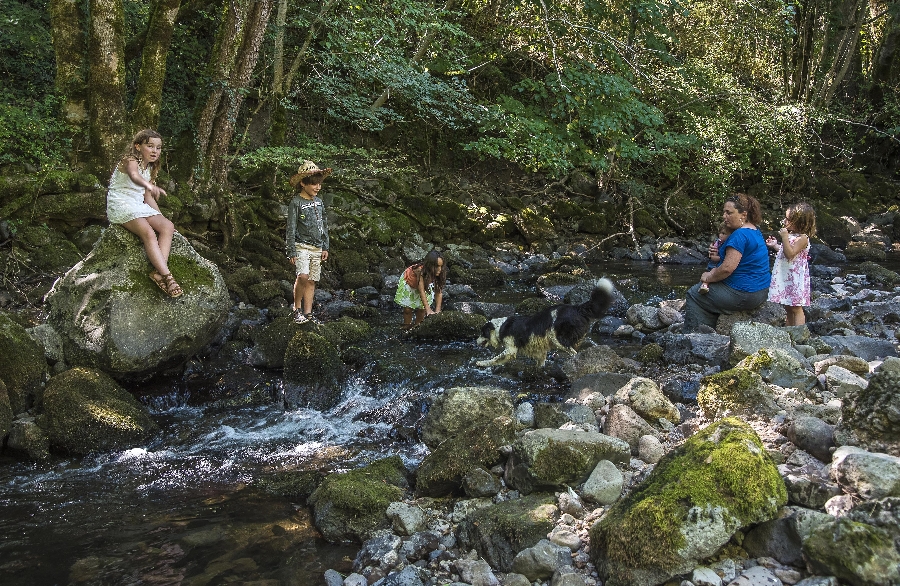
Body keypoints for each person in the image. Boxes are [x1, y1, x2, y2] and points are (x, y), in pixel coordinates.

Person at [107, 129, 182, 298]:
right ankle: (168, 277)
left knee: (168, 227)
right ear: (138, 146)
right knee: (148, 232)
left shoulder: (151, 168)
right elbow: (134, 176)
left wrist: (161, 218)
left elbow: (147, 198)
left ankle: (157, 272)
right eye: (150, 146)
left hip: (137, 204)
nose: (155, 151)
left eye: (158, 147)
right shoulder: (129, 160)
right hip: (121, 203)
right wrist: (149, 185)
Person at [683, 193, 771, 332]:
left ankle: (696, 336)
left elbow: (727, 269)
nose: (724, 216)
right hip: (761, 290)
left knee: (694, 294)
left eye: (729, 213)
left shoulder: (739, 235)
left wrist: (709, 277)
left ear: (743, 214)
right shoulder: (754, 230)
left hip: (745, 294)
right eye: (724, 212)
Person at [286, 160, 332, 323]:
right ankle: (296, 309)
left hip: (317, 247)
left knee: (312, 280)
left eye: (319, 184)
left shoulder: (319, 202)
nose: (317, 187)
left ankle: (308, 313)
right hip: (301, 245)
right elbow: (291, 228)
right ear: (303, 184)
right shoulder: (296, 203)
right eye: (314, 184)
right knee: (303, 276)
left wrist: (325, 246)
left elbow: (324, 225)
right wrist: (291, 250)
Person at [766, 202, 816, 326]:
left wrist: (784, 237)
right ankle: (789, 331)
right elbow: (784, 250)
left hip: (795, 278)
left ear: (800, 223)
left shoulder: (802, 238)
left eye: (788, 219)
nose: (784, 221)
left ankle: (799, 333)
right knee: (788, 306)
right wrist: (775, 245)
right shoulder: (792, 236)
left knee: (796, 307)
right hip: (786, 276)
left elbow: (790, 254)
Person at [394, 250, 447, 329]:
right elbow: (421, 290)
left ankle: (418, 326)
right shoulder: (420, 270)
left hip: (425, 283)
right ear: (430, 266)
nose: (439, 269)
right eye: (436, 266)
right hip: (410, 283)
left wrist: (437, 310)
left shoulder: (439, 271)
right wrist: (428, 309)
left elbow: (438, 292)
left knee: (422, 309)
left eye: (441, 266)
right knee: (408, 309)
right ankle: (406, 326)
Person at [699, 222, 733, 294]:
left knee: (711, 274)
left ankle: (705, 285)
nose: (721, 235)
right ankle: (704, 285)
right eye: (720, 233)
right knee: (708, 274)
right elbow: (712, 255)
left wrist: (715, 257)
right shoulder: (717, 243)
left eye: (724, 234)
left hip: (719, 265)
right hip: (713, 264)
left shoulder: (730, 244)